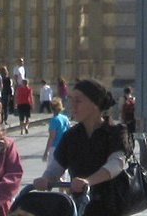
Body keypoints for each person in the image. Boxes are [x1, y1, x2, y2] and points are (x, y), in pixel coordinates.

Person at [32, 79, 135, 216]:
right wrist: (46, 178)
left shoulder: (115, 131)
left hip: (111, 206)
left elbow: (116, 164)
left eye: (78, 101)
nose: (72, 105)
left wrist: (88, 181)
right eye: (71, 100)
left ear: (95, 104)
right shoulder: (71, 135)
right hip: (81, 207)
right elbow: (56, 166)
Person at [40, 98, 70, 165]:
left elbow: (52, 137)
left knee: (52, 170)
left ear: (51, 108)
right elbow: (69, 132)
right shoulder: (65, 118)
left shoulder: (54, 120)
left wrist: (46, 152)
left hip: (55, 147)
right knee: (63, 169)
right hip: (64, 146)